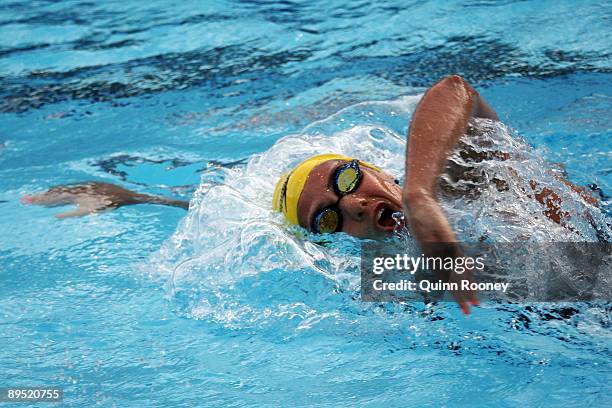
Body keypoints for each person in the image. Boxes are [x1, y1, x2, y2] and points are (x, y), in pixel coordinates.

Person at [23, 75, 599, 313]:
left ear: (382, 172)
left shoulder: (463, 183)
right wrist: (133, 198)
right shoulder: (386, 280)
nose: (349, 204)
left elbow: (457, 91)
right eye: (327, 220)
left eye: (348, 179)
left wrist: (422, 197)